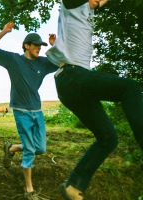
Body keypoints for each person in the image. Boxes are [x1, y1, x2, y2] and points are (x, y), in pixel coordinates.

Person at [46, 0, 143, 199]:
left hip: (71, 85)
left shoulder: (85, 12)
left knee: (108, 139)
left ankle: (73, 186)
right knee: (130, 87)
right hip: (73, 76)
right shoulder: (72, 5)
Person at [0, 22, 58, 200]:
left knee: (40, 148)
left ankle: (11, 148)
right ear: (27, 45)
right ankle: (29, 190)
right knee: (30, 151)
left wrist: (54, 46)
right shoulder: (14, 60)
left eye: (41, 46)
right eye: (36, 45)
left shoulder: (43, 63)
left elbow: (62, 61)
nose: (39, 49)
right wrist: (5, 31)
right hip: (21, 111)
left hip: (37, 110)